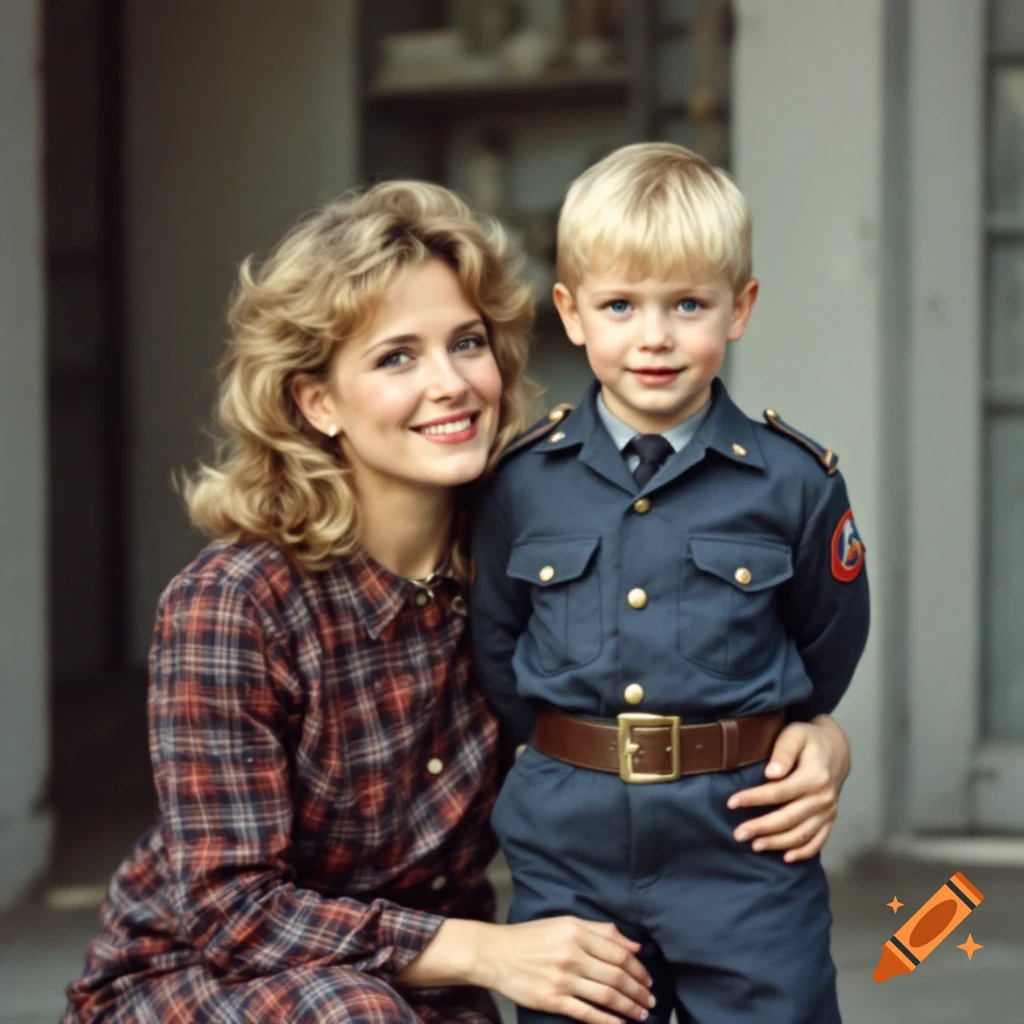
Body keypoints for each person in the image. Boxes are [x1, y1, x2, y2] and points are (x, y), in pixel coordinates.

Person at [63, 179, 854, 1024]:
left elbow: (683, 671)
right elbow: (232, 911)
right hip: (214, 983)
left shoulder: (527, 550)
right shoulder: (234, 604)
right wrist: (489, 953)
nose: (449, 384)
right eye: (396, 356)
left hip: (425, 985)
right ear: (317, 400)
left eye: (466, 342)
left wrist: (817, 734)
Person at [469, 143, 870, 1024]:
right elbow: (498, 648)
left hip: (743, 840)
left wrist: (796, 729)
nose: (654, 336)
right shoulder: (520, 482)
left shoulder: (794, 481)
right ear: (571, 314)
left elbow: (829, 637)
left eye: (688, 303)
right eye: (621, 305)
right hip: (570, 845)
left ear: (741, 309)